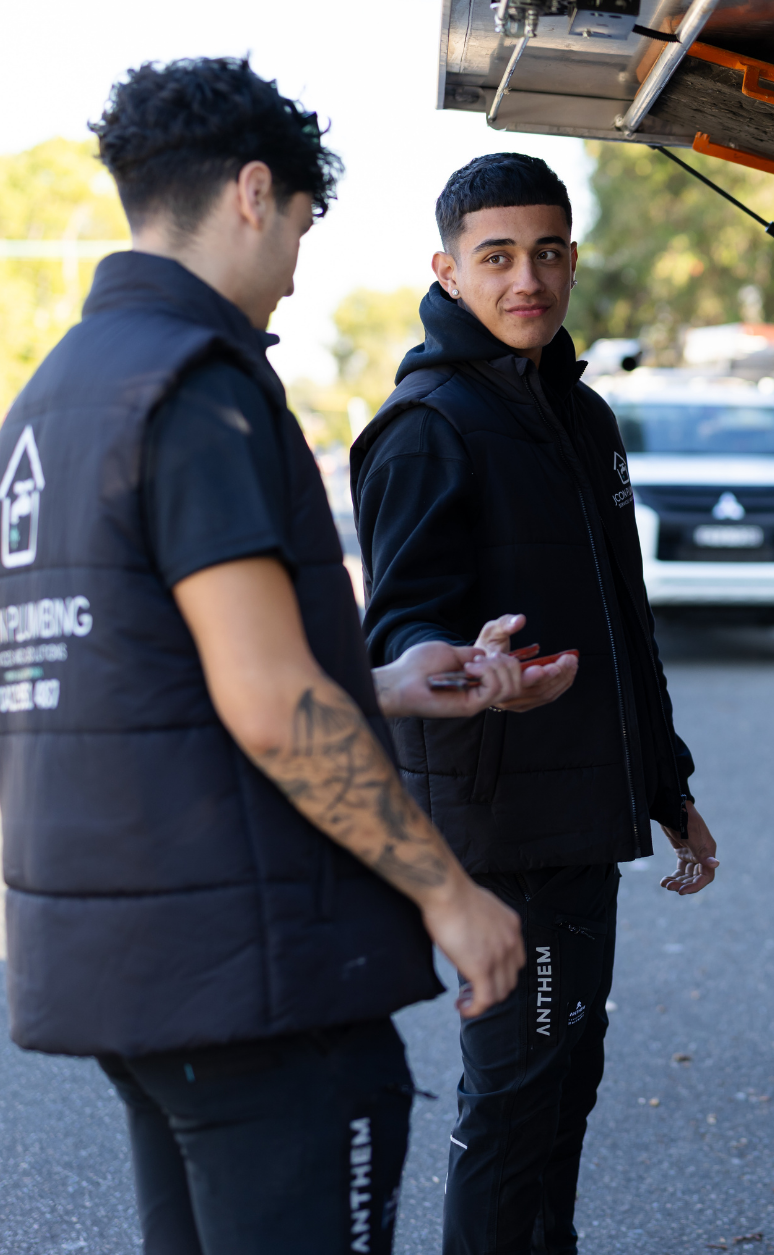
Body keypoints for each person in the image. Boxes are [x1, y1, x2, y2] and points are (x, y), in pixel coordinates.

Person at [0, 62, 575, 1255]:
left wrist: (383, 685)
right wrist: (448, 894)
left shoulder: (56, 395)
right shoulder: (200, 387)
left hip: (124, 975)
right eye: (307, 223)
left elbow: (136, 675)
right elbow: (266, 703)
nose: (302, 263)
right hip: (255, 977)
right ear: (255, 193)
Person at [351, 151, 719, 1255]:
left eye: (549, 251)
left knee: (562, 1084)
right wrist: (463, 662)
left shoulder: (583, 414)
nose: (529, 279)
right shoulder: (427, 426)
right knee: (517, 1103)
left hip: (577, 819)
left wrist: (670, 789)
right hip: (498, 827)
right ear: (447, 270)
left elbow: (623, 624)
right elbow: (398, 626)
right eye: (498, 256)